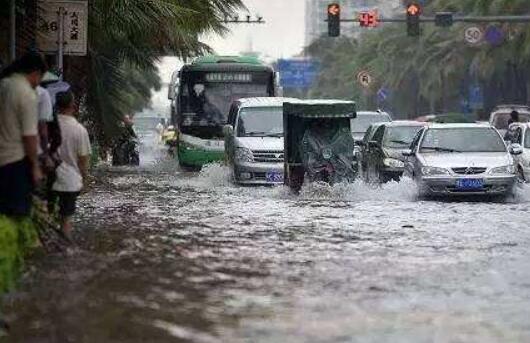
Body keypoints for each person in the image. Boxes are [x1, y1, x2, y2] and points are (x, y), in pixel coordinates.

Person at [0, 52, 47, 217]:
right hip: (15, 163)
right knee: (17, 216)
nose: (39, 83)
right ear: (35, 73)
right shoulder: (26, 93)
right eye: (40, 78)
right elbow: (29, 136)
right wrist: (35, 166)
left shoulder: (4, 84)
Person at [48, 90, 91, 240]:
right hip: (70, 182)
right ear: (73, 105)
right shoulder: (79, 130)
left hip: (48, 177)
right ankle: (65, 246)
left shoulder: (48, 126)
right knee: (66, 220)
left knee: (45, 213)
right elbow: (83, 161)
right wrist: (84, 180)